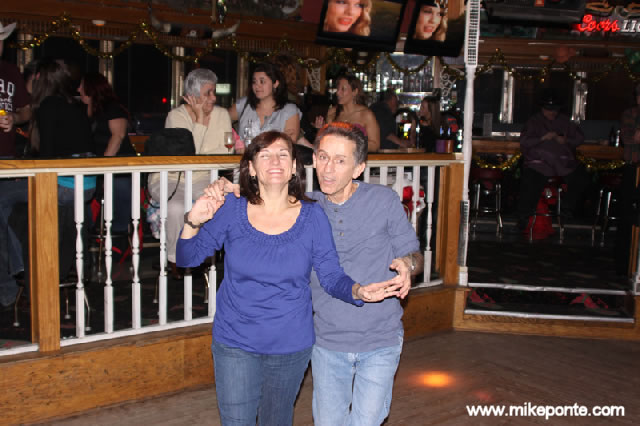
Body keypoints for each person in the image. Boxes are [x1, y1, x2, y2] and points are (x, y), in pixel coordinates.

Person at [176, 130, 402, 426]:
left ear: (294, 166)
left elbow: (330, 275)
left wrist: (358, 291)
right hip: (235, 341)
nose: (275, 161)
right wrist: (192, 220)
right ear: (251, 168)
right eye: (265, 155)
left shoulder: (312, 216)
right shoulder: (232, 208)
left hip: (290, 345)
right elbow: (187, 258)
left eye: (283, 154)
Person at [148, 68, 232, 280]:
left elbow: (226, 152)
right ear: (192, 96)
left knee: (218, 203)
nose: (213, 98)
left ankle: (205, 253)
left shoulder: (222, 115)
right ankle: (176, 258)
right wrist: (200, 120)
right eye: (208, 93)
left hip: (203, 176)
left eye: (214, 92)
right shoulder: (176, 116)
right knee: (176, 207)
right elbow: (187, 155)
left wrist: (205, 154)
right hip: (171, 177)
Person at [516, 91, 589, 230]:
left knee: (581, 178)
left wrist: (566, 140)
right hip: (539, 163)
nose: (552, 112)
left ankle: (566, 210)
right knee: (530, 182)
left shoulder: (565, 121)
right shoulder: (534, 121)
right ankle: (524, 218)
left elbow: (579, 138)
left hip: (563, 163)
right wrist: (542, 138)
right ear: (542, 108)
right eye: (549, 109)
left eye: (555, 109)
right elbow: (524, 141)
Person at [79, 72, 136, 234]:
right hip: (99, 168)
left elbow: (118, 136)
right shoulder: (88, 111)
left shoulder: (112, 108)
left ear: (91, 88)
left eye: (81, 86)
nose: (78, 89)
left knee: (119, 188)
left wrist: (104, 170)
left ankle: (119, 234)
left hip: (119, 167)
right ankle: (89, 231)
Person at [229, 62, 300, 149]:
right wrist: (234, 141)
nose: (257, 86)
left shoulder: (289, 110)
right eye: (254, 82)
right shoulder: (243, 104)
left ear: (275, 84)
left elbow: (289, 144)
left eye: (262, 82)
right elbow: (221, 120)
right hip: (243, 157)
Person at [316, 74, 380, 152]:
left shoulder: (366, 114)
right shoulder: (332, 112)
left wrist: (352, 144)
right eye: (338, 89)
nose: (338, 93)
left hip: (355, 158)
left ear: (355, 92)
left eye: (343, 89)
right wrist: (320, 130)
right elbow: (324, 142)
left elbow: (375, 145)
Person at [617, 83, 640, 275]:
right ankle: (624, 263)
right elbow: (630, 138)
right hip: (634, 169)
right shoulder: (630, 114)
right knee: (628, 214)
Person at [0, 21, 32, 157]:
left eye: (1, 39)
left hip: (6, 154)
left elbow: (26, 110)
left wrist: (14, 117)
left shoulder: (11, 71)